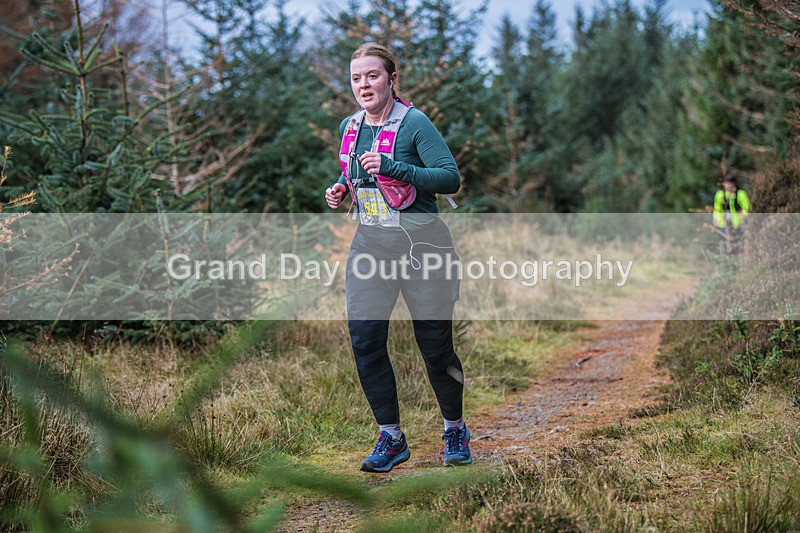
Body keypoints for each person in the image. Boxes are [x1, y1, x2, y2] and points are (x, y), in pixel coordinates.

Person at [324, 43, 471, 473]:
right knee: (365, 340)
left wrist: (395, 168)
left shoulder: (415, 123)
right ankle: (391, 438)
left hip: (425, 249)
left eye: (372, 75)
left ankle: (455, 428)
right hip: (371, 248)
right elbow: (355, 168)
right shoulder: (350, 126)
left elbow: (450, 178)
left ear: (391, 79)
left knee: (435, 348)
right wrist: (341, 188)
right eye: (356, 78)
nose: (364, 85)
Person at [712, 175, 751, 253]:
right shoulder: (720, 195)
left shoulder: (740, 194)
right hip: (723, 225)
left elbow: (746, 207)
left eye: (728, 183)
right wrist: (716, 219)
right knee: (724, 245)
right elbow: (717, 210)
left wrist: (744, 215)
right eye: (725, 183)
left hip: (738, 224)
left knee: (738, 244)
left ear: (733, 184)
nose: (726, 185)